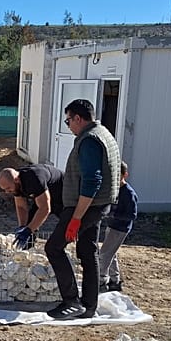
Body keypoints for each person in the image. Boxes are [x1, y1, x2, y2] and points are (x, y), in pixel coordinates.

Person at [44, 99, 121, 320]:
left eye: (68, 120)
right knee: (88, 251)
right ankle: (89, 305)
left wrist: (76, 218)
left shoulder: (89, 140)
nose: (68, 125)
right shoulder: (103, 132)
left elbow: (92, 181)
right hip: (98, 205)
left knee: (54, 248)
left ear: (79, 118)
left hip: (86, 206)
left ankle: (71, 301)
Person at [0, 164, 64, 249]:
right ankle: (25, 251)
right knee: (29, 223)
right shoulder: (16, 184)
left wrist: (28, 230)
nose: (7, 192)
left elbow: (45, 209)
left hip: (63, 194)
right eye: (4, 189)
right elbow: (21, 206)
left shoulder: (34, 179)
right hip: (43, 196)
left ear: (16, 180)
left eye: (8, 188)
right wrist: (22, 227)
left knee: (68, 225)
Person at [98, 161, 138, 293]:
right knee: (111, 253)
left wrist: (115, 215)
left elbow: (132, 215)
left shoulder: (129, 193)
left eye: (118, 175)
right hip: (112, 225)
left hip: (120, 228)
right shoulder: (115, 190)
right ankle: (115, 280)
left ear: (125, 175)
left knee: (104, 254)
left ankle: (101, 280)